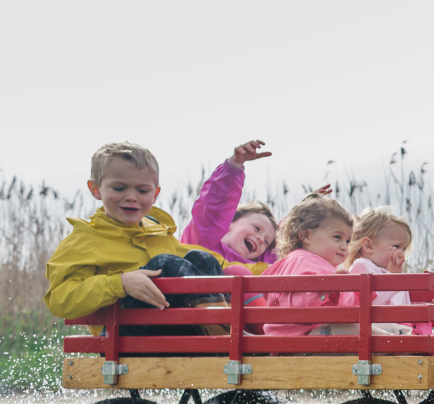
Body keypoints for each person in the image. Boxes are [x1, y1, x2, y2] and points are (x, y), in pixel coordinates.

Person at [44, 142, 233, 336]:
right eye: (119, 188)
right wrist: (120, 283)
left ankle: (222, 330)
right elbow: (60, 299)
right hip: (121, 336)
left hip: (174, 327)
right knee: (163, 264)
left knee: (202, 258)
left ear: (155, 194)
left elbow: (215, 264)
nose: (131, 197)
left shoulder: (157, 234)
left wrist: (260, 272)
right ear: (95, 189)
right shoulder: (84, 240)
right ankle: (226, 333)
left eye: (142, 191)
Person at [261, 192, 395, 336]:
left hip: (318, 333)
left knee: (395, 330)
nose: (345, 246)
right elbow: (298, 308)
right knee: (377, 337)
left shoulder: (324, 266)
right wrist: (329, 289)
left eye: (348, 241)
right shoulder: (300, 260)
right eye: (337, 237)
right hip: (299, 337)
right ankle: (399, 351)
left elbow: (344, 312)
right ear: (306, 235)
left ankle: (404, 347)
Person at [179, 140, 278, 272]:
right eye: (257, 229)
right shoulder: (202, 241)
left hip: (248, 289)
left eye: (266, 242)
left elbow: (290, 246)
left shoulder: (262, 268)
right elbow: (214, 209)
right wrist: (234, 166)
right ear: (230, 223)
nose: (260, 239)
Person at [337, 206, 429, 335]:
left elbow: (403, 305)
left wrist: (425, 304)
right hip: (377, 332)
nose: (402, 254)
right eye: (397, 246)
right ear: (368, 246)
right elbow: (369, 306)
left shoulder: (394, 275)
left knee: (424, 332)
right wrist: (392, 278)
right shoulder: (362, 267)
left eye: (404, 249)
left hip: (399, 330)